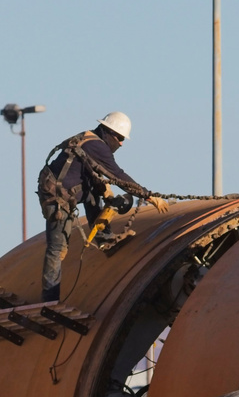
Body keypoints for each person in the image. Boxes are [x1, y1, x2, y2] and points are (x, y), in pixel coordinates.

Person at [37, 111, 168, 302]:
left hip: (67, 191)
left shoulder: (90, 138)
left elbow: (89, 172)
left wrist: (104, 189)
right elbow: (117, 175)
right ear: (109, 133)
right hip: (58, 198)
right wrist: (148, 196)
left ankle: (104, 238)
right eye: (120, 138)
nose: (122, 144)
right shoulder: (97, 145)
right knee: (57, 249)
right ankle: (49, 300)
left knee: (95, 192)